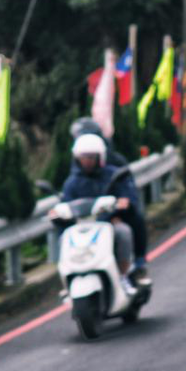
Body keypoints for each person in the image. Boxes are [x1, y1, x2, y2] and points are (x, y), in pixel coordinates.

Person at [69, 117, 151, 287]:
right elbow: (70, 196)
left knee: (130, 226)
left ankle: (135, 267)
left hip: (114, 216)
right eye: (83, 157)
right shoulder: (75, 175)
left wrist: (120, 208)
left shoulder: (115, 166)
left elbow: (127, 192)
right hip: (87, 221)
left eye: (91, 157)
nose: (87, 160)